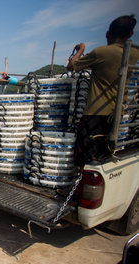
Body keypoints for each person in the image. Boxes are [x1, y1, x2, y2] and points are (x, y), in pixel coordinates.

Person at [67, 15, 139, 167]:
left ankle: (82, 184)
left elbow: (71, 66)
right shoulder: (135, 54)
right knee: (106, 152)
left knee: (86, 154)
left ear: (107, 34)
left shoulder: (102, 52)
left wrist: (81, 49)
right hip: (118, 113)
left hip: (95, 113)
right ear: (131, 34)